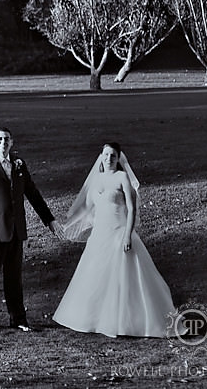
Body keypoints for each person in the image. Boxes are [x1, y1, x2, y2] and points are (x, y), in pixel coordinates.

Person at [53, 142, 174, 338]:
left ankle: (130, 321)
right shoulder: (96, 180)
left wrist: (127, 235)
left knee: (125, 276)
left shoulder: (122, 177)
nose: (109, 159)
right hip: (100, 234)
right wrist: (71, 226)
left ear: (118, 159)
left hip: (119, 232)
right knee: (96, 276)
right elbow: (88, 208)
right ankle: (93, 319)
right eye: (106, 155)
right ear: (101, 156)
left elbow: (132, 209)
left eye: (113, 156)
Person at [0, 126, 59, 331]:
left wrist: (50, 220)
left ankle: (18, 318)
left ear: (12, 142)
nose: (3, 143)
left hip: (16, 230)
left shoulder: (19, 165)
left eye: (7, 139)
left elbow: (33, 194)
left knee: (14, 277)